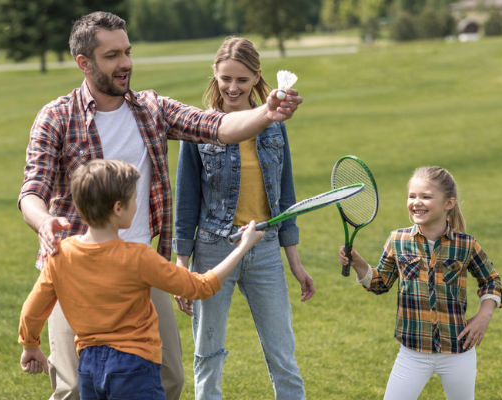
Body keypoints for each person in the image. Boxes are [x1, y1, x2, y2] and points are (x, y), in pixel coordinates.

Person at [18, 11, 303, 400]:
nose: (126, 64)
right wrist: (44, 220)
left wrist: (266, 114)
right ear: (84, 63)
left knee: (169, 380)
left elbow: (215, 127)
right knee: (73, 388)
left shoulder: (151, 108)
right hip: (77, 268)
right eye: (113, 55)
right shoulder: (56, 118)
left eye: (128, 52)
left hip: (139, 266)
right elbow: (32, 190)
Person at [19, 159, 266, 400]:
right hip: (134, 367)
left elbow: (32, 309)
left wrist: (30, 346)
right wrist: (242, 247)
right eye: (134, 200)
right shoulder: (138, 257)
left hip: (88, 367)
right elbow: (201, 286)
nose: (138, 205)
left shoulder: (59, 255)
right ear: (118, 208)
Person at [172, 37, 314, 400]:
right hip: (212, 251)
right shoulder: (199, 126)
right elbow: (186, 201)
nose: (232, 87)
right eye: (225, 79)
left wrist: (294, 263)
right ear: (215, 76)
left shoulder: (274, 124)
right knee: (208, 353)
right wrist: (182, 265)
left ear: (257, 78)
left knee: (283, 354)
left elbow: (286, 197)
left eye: (241, 79)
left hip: (265, 251)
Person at [337, 166, 502, 400]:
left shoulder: (466, 245)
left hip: (458, 352)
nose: (417, 202)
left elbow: (491, 281)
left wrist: (484, 315)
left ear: (449, 203)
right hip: (412, 353)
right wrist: (357, 262)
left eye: (426, 196)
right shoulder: (397, 240)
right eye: (412, 196)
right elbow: (380, 283)